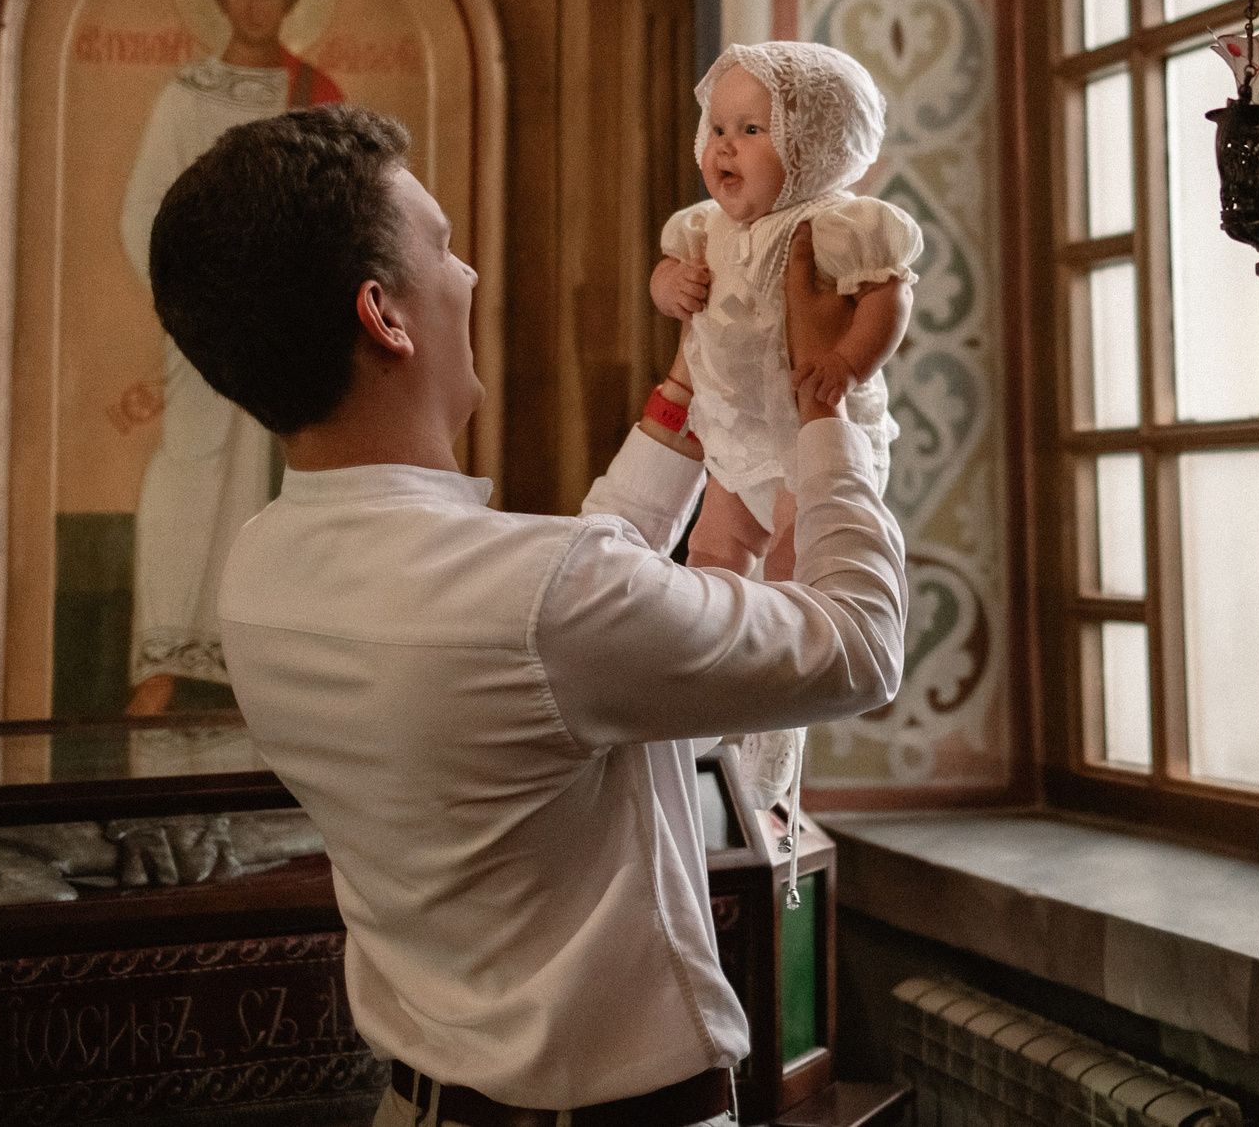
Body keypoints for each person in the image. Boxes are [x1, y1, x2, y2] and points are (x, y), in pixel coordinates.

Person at [149, 104, 906, 1127]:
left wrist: (686, 393)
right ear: (383, 315)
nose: (465, 274)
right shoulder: (544, 601)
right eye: (442, 248)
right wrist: (827, 404)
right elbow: (858, 643)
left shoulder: (258, 571)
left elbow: (558, 630)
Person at [117, 0, 343, 715]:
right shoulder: (186, 95)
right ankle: (163, 658)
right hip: (206, 312)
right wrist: (198, 283)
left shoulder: (314, 91)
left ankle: (256, 662)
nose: (252, 5)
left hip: (288, 318)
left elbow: (342, 205)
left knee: (276, 479)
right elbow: (145, 205)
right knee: (188, 469)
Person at [650, 41, 921, 581]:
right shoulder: (706, 225)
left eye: (752, 130)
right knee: (711, 546)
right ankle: (718, 620)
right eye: (718, 129)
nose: (725, 147)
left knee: (796, 557)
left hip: (811, 435)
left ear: (817, 145)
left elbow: (888, 295)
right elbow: (664, 273)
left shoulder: (833, 225)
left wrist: (847, 362)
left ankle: (781, 621)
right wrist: (670, 286)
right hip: (736, 432)